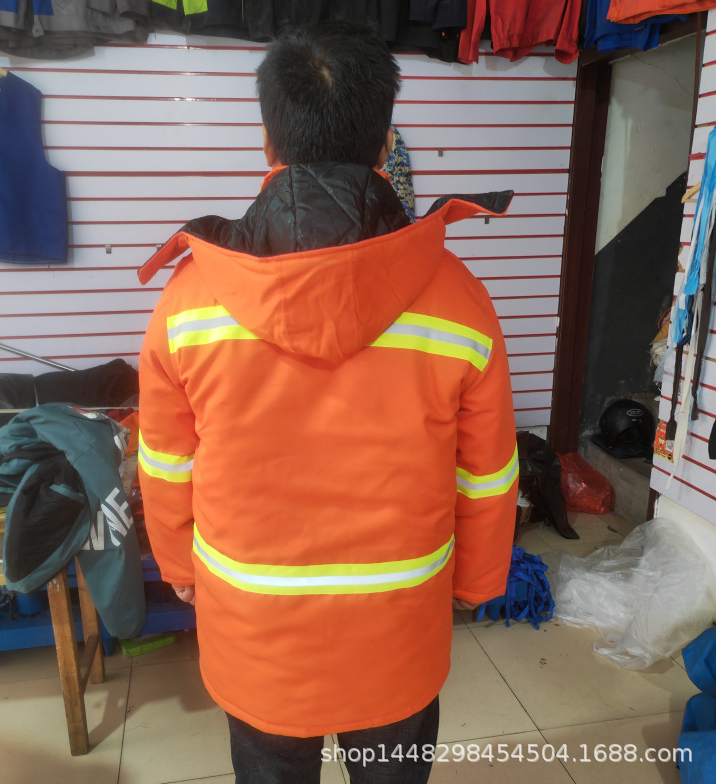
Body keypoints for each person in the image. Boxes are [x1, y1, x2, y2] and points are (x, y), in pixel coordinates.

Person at [137, 23, 518, 784]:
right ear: (386, 146)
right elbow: (487, 471)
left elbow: (166, 462)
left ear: (268, 144)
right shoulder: (460, 302)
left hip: (256, 632)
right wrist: (477, 581)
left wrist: (179, 565)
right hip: (397, 630)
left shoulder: (188, 305)